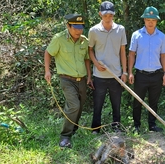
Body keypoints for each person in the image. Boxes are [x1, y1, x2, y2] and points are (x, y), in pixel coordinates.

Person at [44, 14, 92, 148]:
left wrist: (89, 76)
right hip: (66, 79)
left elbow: (87, 59)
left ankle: (74, 129)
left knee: (80, 106)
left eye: (81, 28)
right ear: (68, 26)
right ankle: (65, 136)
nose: (79, 31)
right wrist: (47, 71)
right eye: (75, 28)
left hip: (81, 79)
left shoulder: (84, 40)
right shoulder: (59, 39)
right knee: (74, 106)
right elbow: (48, 53)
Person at [88, 1, 127, 134]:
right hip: (100, 76)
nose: (108, 18)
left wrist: (125, 72)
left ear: (113, 15)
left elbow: (123, 52)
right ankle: (96, 128)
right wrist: (96, 63)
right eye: (105, 15)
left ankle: (116, 126)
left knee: (116, 104)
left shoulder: (120, 29)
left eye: (110, 15)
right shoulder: (93, 31)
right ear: (100, 14)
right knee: (98, 103)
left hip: (116, 74)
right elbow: (90, 50)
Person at [128, 6, 165, 134]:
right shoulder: (137, 35)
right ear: (144, 20)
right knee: (137, 101)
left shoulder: (161, 36)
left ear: (156, 21)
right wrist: (129, 72)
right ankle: (136, 125)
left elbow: (163, 55)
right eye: (148, 19)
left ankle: (152, 125)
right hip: (141, 75)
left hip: (157, 74)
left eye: (153, 20)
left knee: (154, 101)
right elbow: (131, 54)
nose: (150, 22)